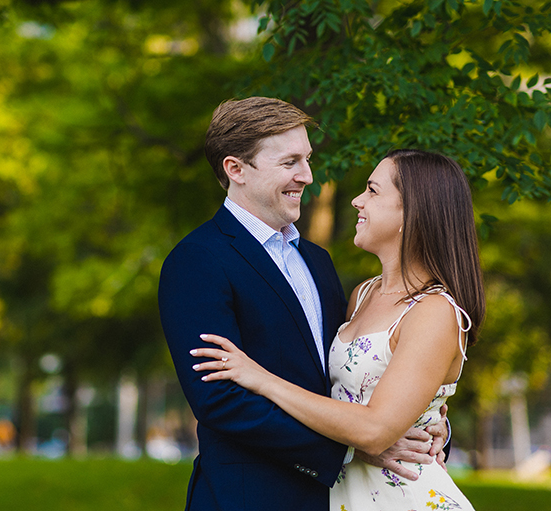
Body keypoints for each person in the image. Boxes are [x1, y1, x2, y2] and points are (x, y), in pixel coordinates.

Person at [158, 97, 446, 511]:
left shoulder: (317, 260)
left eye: (307, 159)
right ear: (235, 169)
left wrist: (427, 422)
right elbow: (221, 400)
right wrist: (352, 448)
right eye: (290, 162)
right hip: (249, 497)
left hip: (340, 498)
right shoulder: (197, 261)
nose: (307, 176)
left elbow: (354, 371)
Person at [191, 148, 485, 510]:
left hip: (402, 497)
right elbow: (343, 391)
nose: (357, 200)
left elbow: (376, 429)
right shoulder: (363, 294)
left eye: (373, 191)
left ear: (411, 213)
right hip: (341, 492)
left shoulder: (435, 311)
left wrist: (260, 378)